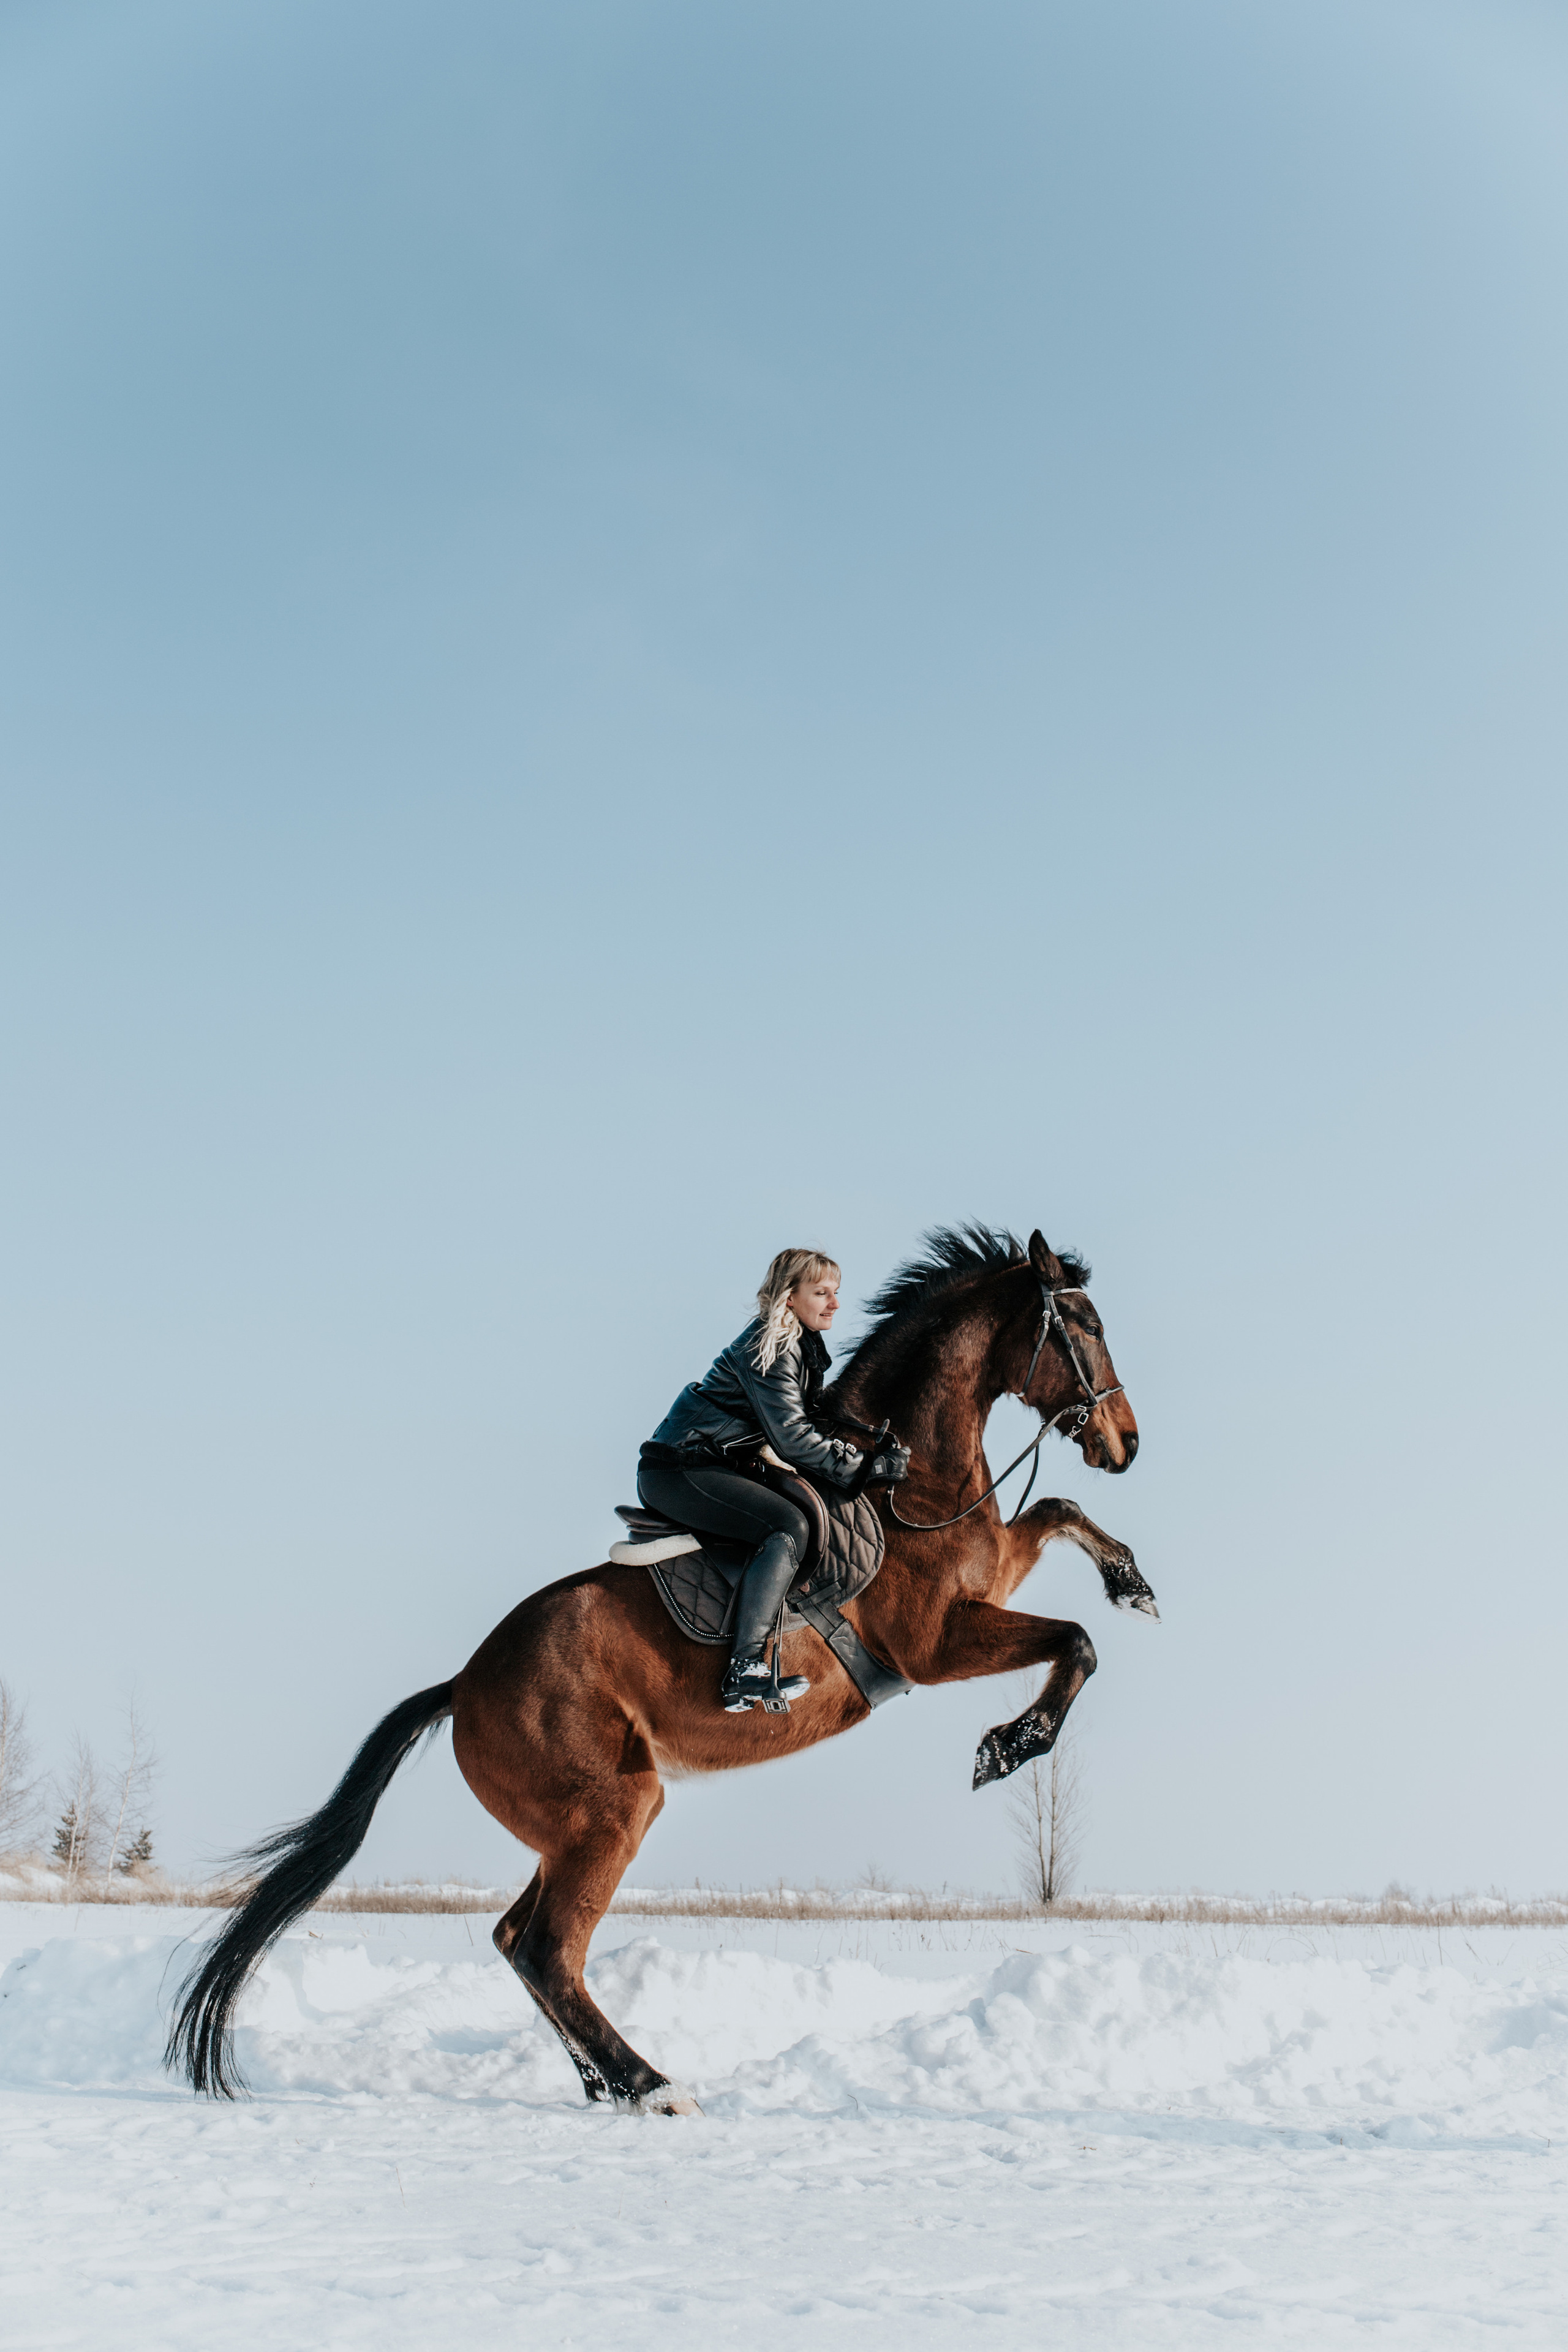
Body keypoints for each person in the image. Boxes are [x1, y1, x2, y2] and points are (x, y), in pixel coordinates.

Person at [638, 1248, 910, 1713]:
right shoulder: (775, 1346)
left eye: (836, 1293)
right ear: (790, 1296)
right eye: (821, 1293)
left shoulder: (800, 1347)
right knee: (786, 1526)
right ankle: (744, 1670)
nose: (834, 1303)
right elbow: (795, 1441)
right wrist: (864, 1469)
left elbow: (813, 1424)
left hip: (713, 1465)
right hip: (680, 1470)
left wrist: (869, 1449)